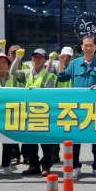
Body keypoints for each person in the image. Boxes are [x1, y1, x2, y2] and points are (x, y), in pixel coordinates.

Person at [56, 35, 96, 179]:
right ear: (81, 47)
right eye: (85, 45)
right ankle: (75, 166)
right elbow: (62, 78)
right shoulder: (74, 64)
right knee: (75, 139)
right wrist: (61, 63)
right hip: (76, 108)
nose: (88, 47)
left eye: (91, 45)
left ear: (95, 47)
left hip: (95, 107)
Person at [10, 47, 57, 176]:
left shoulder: (49, 76)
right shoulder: (26, 73)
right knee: (30, 142)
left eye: (40, 57)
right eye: (34, 57)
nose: (37, 59)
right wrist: (18, 58)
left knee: (46, 142)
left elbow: (50, 95)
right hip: (28, 112)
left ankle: (46, 166)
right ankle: (34, 165)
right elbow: (12, 72)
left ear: (45, 60)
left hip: (43, 113)